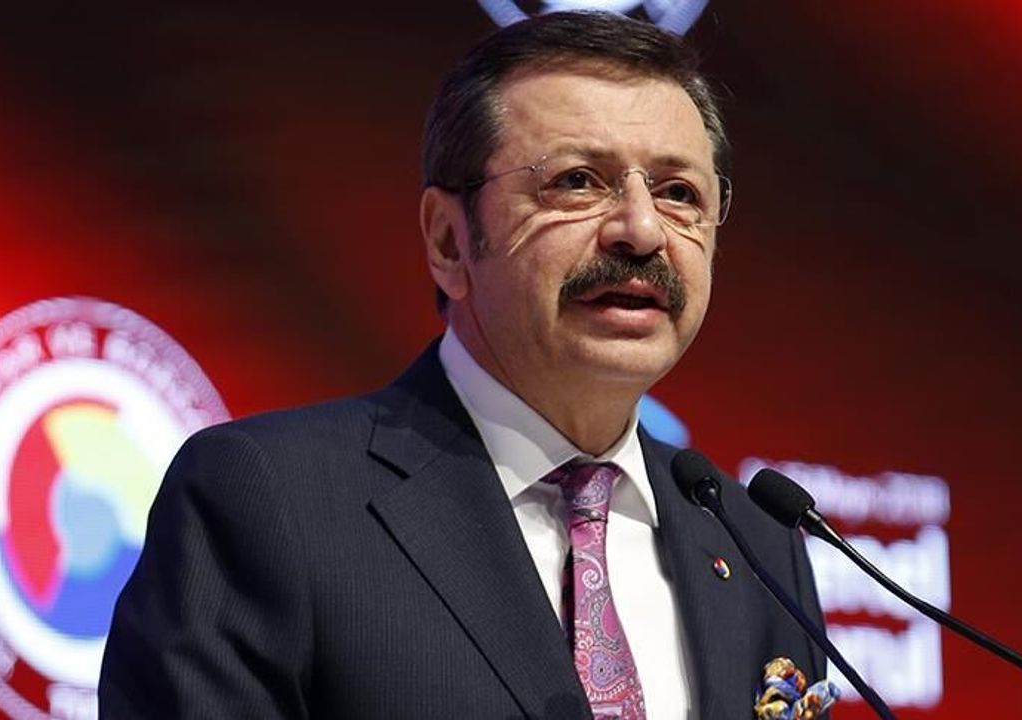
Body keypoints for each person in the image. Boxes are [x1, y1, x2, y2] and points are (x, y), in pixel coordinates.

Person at [100, 11, 826, 719]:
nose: (640, 230)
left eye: (678, 194)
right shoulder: (269, 501)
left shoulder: (758, 543)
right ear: (449, 241)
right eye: (577, 181)